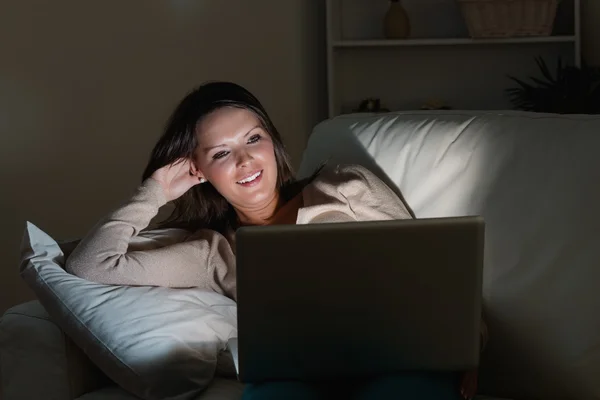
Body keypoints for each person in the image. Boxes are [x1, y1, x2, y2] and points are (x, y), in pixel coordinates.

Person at [66, 81, 486, 399]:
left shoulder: (347, 187)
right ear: (198, 170)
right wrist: (156, 190)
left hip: (398, 360)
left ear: (272, 143)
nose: (245, 160)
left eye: (253, 139)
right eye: (220, 153)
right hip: (295, 377)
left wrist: (471, 348)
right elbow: (91, 264)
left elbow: (434, 270)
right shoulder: (212, 253)